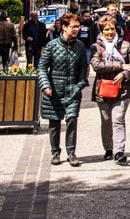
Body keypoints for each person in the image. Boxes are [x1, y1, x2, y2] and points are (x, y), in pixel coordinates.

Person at [38, 13, 88, 167]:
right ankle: (55, 153)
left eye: (78, 27)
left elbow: (83, 69)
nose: (76, 30)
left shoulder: (79, 46)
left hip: (73, 89)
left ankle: (71, 153)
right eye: (73, 26)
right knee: (54, 123)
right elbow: (42, 67)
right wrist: (45, 85)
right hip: (54, 90)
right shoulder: (52, 45)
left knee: (72, 120)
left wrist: (80, 85)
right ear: (64, 27)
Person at [90, 15, 130, 164]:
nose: (110, 32)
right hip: (103, 88)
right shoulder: (96, 47)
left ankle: (119, 152)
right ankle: (108, 149)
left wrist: (124, 74)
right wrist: (121, 66)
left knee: (118, 119)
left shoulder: (125, 45)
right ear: (101, 31)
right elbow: (96, 65)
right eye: (106, 30)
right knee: (106, 120)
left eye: (112, 29)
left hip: (123, 89)